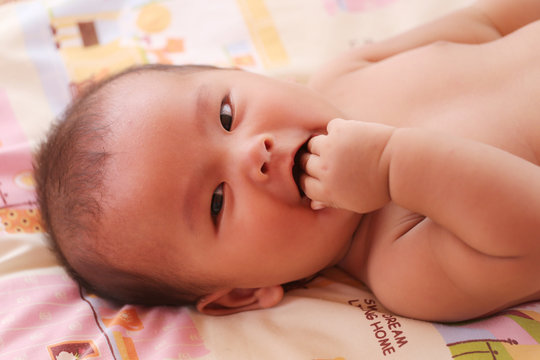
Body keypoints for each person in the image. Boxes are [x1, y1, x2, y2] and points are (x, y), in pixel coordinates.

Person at [34, 0, 540, 322]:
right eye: (215, 202)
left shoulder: (344, 75)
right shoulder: (404, 269)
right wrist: (392, 167)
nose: (254, 152)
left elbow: (488, 20)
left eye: (227, 114)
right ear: (242, 293)